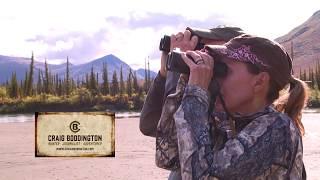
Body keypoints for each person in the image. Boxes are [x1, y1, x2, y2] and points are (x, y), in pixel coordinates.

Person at [155, 34, 308, 179]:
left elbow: (203, 176)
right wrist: (187, 82)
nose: (215, 78)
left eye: (223, 70)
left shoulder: (278, 130)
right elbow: (169, 156)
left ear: (259, 82)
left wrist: (196, 94)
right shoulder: (226, 120)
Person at [140, 26, 244, 137]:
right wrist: (164, 74)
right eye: (201, 48)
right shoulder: (209, 101)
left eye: (212, 51)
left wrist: (179, 65)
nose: (201, 53)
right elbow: (149, 125)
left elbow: (176, 137)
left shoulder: (241, 115)